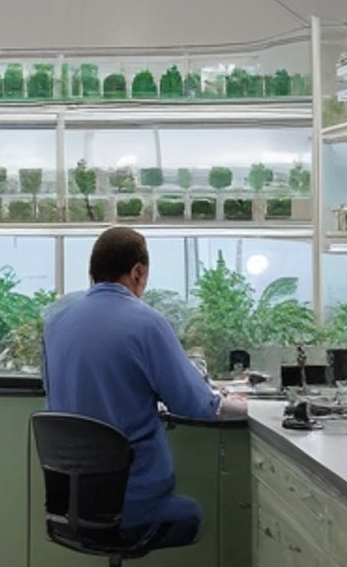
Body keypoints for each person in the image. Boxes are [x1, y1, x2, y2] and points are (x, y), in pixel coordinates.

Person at [40, 226, 246, 548]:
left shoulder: (56, 319)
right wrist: (238, 403)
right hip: (134, 506)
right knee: (191, 514)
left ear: (93, 273)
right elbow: (193, 404)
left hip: (71, 502)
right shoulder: (147, 322)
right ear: (138, 272)